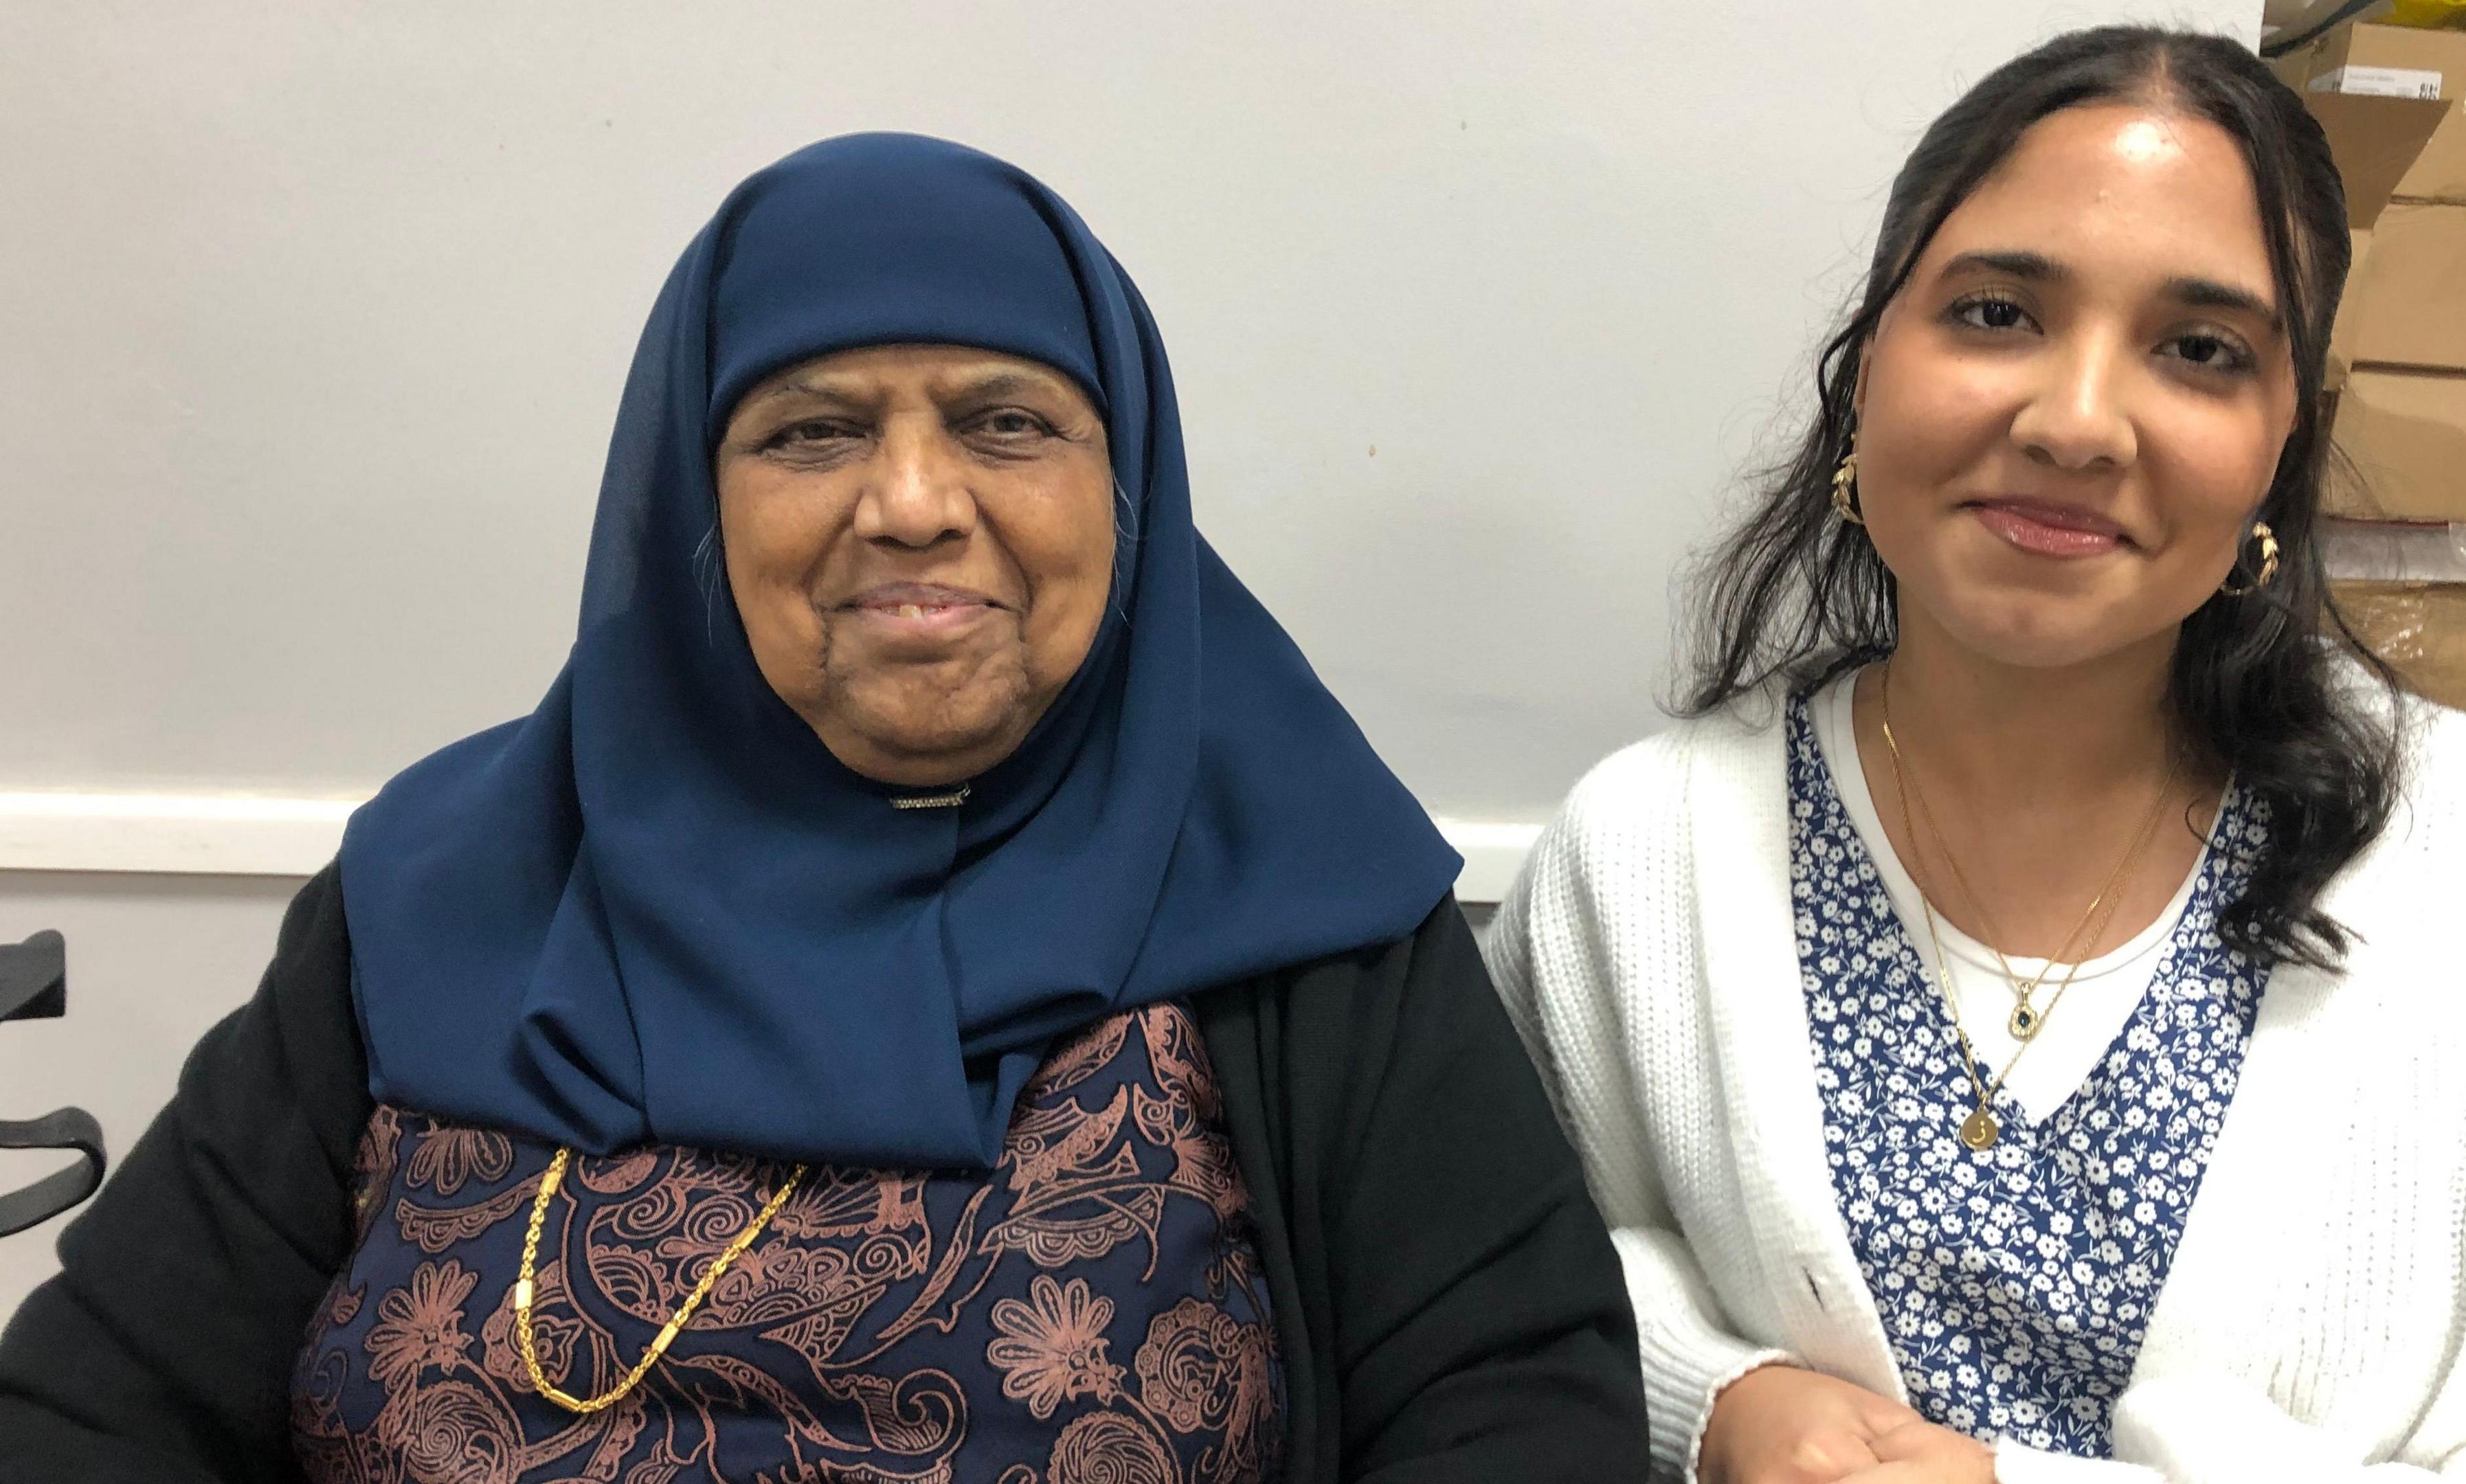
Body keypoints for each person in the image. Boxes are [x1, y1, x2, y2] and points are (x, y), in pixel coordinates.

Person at [0, 133, 1647, 1484]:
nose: (916, 505)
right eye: (812, 431)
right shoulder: (433, 892)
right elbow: (87, 1412)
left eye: (1008, 422)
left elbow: (1514, 1412)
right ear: (692, 503)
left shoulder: (1306, 900)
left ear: (1125, 481)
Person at [1489, 26, 2466, 1484]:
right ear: (1867, 367)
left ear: (2285, 438)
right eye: (1994, 314)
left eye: (2200, 350)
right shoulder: (1640, 856)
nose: (2077, 422)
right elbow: (1511, 1284)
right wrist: (1710, 1403)